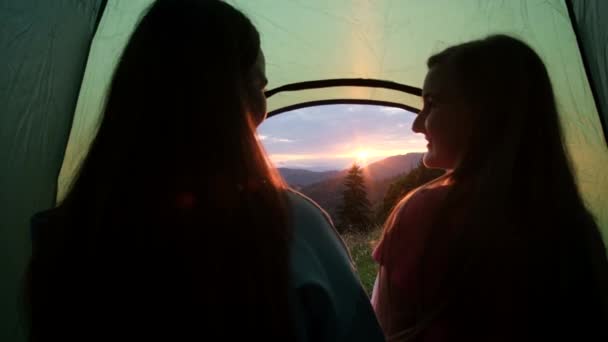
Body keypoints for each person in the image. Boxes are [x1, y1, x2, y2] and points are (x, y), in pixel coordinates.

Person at [25, 1, 384, 341]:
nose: (263, 105)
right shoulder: (292, 228)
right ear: (228, 101)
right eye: (259, 86)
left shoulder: (62, 237)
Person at [372, 35, 608, 341]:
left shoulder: (426, 214)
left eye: (432, 104)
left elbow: (379, 331)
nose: (417, 124)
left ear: (483, 111)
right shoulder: (577, 227)